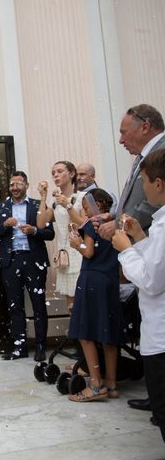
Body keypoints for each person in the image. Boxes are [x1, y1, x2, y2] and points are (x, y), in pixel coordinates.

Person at [98, 104, 165, 413]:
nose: (121, 139)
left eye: (125, 132)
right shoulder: (145, 157)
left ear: (146, 126)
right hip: (144, 242)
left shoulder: (159, 155)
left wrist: (125, 237)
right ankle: (157, 394)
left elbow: (150, 205)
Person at [113, 148, 165, 442]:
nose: (142, 188)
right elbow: (158, 262)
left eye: (144, 181)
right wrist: (140, 239)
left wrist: (126, 249)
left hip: (161, 334)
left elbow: (151, 280)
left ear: (158, 184)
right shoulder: (159, 223)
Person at [0, 171, 55, 361]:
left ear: (26, 185)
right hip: (11, 261)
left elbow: (50, 233)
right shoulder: (1, 207)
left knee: (38, 304)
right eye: (12, 184)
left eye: (19, 184)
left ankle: (41, 347)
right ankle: (20, 347)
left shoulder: (37, 205)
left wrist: (34, 230)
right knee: (15, 306)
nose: (15, 187)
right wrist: (5, 225)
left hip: (34, 260)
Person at [67, 189, 122, 402]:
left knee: (85, 331)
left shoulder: (93, 224)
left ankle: (96, 384)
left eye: (86, 205)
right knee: (108, 333)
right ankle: (112, 383)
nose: (83, 209)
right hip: (110, 280)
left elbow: (88, 252)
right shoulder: (115, 224)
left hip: (91, 279)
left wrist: (76, 244)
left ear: (97, 204)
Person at [37, 161, 87, 313]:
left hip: (79, 252)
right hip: (64, 255)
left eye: (59, 171)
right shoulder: (55, 202)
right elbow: (40, 223)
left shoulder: (82, 197)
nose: (55, 175)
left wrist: (68, 205)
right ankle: (77, 335)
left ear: (71, 174)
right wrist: (44, 197)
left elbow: (85, 225)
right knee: (71, 306)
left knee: (83, 302)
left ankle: (87, 335)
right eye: (53, 173)